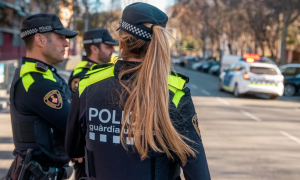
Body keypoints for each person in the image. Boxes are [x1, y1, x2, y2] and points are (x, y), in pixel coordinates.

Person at [65, 2, 211, 180]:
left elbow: (72, 148)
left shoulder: (88, 85)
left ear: (121, 40)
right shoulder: (174, 93)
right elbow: (199, 174)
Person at [7, 14, 78, 180]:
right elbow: (75, 124)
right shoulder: (36, 82)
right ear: (39, 39)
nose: (66, 43)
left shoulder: (46, 75)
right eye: (60, 37)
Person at [68, 28, 118, 93]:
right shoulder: (82, 73)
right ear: (94, 49)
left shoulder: (101, 68)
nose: (113, 50)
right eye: (108, 47)